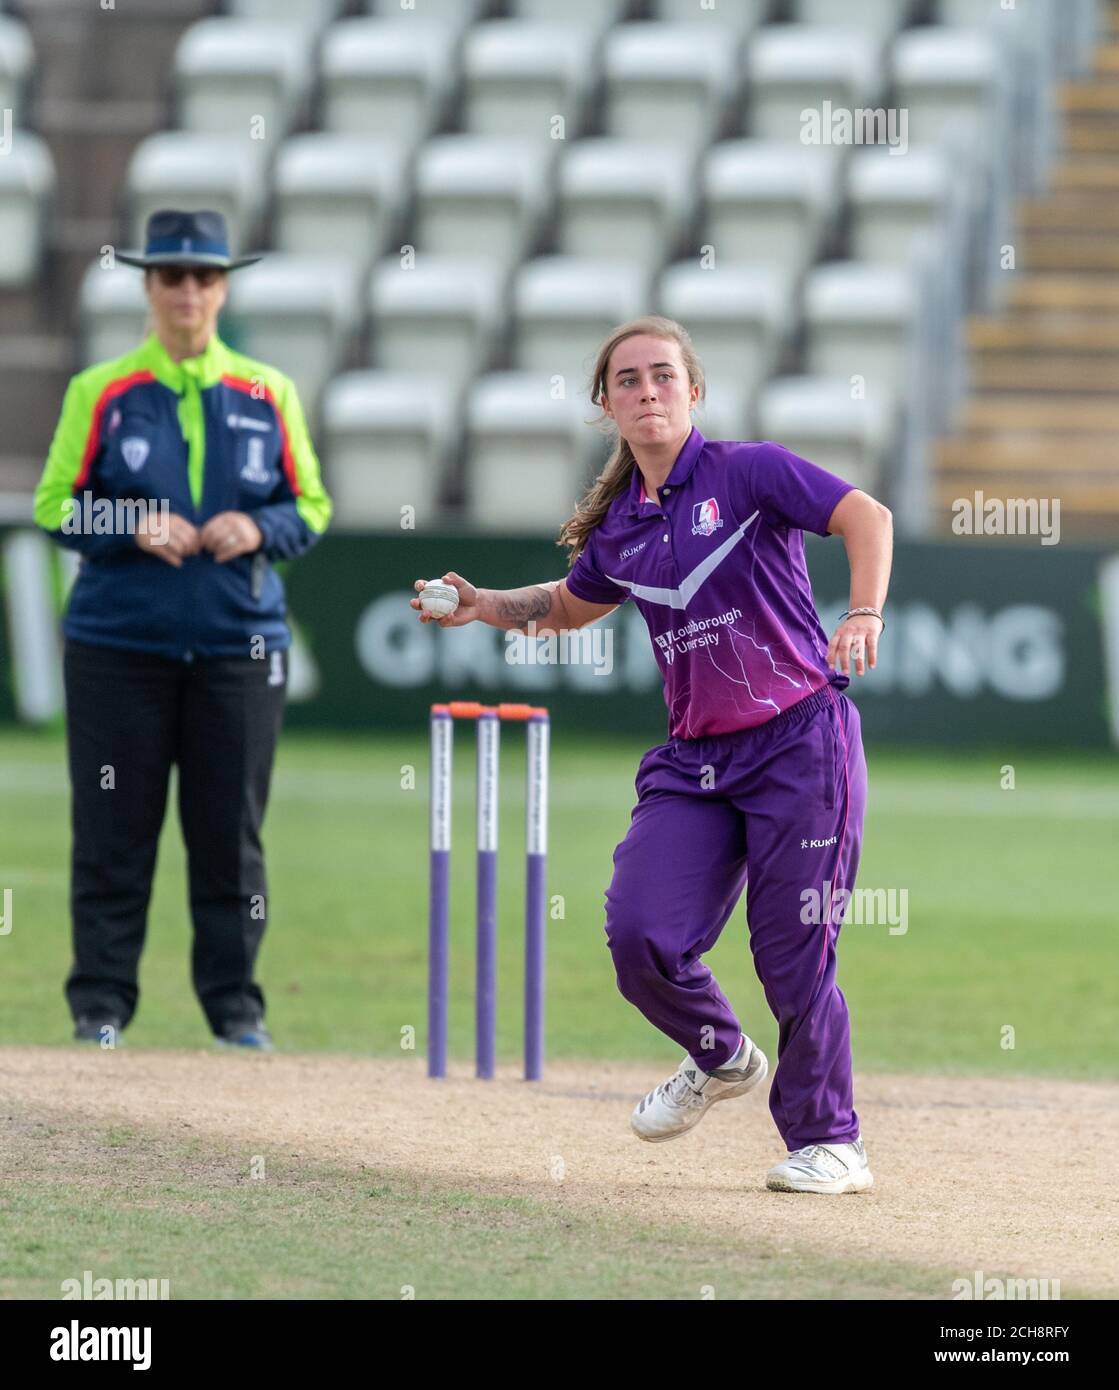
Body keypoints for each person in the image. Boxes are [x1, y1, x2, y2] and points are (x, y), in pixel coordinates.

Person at [412, 315, 892, 1195]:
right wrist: (480, 604)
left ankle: (832, 1142)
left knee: (792, 954)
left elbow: (865, 513)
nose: (647, 392)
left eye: (662, 376)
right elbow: (564, 606)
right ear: (607, 405)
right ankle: (717, 1055)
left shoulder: (749, 471)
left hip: (800, 746)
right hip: (696, 763)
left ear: (693, 391)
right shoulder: (621, 529)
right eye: (627, 381)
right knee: (639, 934)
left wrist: (862, 613)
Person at [33, 208, 333, 1050]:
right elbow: (53, 505)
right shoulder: (100, 390)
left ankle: (236, 1010)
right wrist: (131, 521)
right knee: (110, 834)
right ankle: (100, 1007)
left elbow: (310, 504)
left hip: (239, 650)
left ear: (223, 286)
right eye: (173, 277)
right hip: (116, 650)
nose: (189, 292)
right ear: (149, 287)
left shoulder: (268, 392)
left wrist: (258, 530)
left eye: (204, 276)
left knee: (228, 840)